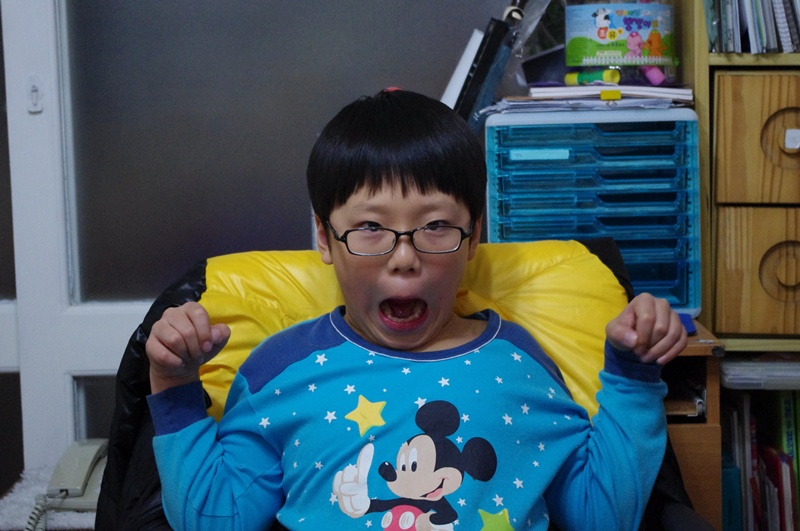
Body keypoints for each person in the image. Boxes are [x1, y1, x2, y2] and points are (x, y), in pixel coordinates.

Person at [145, 89, 687, 530]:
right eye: (370, 227)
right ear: (325, 238)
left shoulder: (522, 364)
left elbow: (603, 518)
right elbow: (213, 521)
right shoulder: (277, 371)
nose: (404, 258)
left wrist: (634, 376)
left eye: (436, 226)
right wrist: (174, 384)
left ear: (474, 236)